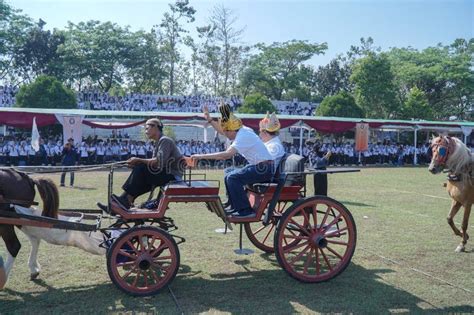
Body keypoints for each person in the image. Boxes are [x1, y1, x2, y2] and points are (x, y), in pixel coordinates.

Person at [192, 104, 274, 218]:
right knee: (228, 172)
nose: (224, 134)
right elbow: (222, 130)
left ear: (231, 130)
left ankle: (245, 210)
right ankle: (233, 205)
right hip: (261, 167)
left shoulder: (243, 135)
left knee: (232, 178)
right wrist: (209, 119)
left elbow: (226, 155)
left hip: (264, 169)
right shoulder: (241, 130)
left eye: (226, 132)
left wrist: (201, 157)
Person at [97, 118, 185, 211]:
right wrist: (137, 163)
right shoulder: (158, 142)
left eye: (147, 128)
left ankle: (126, 200)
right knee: (140, 170)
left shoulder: (165, 140)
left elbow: (159, 162)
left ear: (155, 127)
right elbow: (155, 165)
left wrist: (139, 160)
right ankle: (123, 201)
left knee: (141, 168)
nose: (145, 131)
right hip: (166, 173)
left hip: (172, 176)